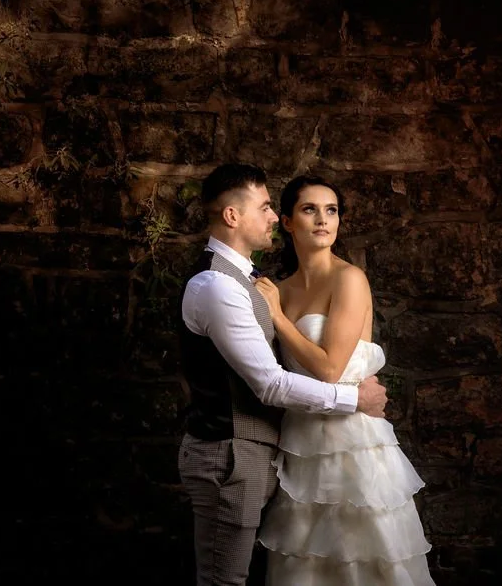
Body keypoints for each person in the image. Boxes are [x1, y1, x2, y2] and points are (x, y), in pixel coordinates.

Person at [177, 164, 388, 586]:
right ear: (234, 217)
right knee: (234, 578)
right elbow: (271, 382)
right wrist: (355, 399)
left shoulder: (254, 282)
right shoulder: (221, 286)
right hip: (238, 451)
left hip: (299, 448)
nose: (273, 217)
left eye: (331, 210)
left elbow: (322, 363)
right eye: (267, 207)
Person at [253, 175, 435, 586]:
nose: (323, 219)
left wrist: (279, 317)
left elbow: (330, 369)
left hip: (353, 443)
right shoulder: (276, 288)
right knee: (306, 559)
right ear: (286, 221)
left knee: (365, 558)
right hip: (301, 440)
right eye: (309, 209)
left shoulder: (348, 278)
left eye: (331, 210)